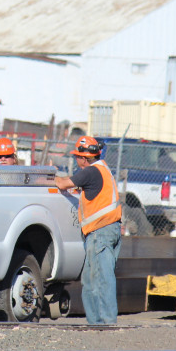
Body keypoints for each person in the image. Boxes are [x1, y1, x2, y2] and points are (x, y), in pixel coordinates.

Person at [53, 135, 122, 325]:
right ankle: (96, 323)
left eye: (77, 157)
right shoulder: (102, 170)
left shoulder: (90, 172)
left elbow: (62, 183)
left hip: (100, 232)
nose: (76, 160)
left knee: (101, 279)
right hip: (106, 231)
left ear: (84, 158)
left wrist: (49, 175)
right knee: (91, 281)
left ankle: (106, 323)